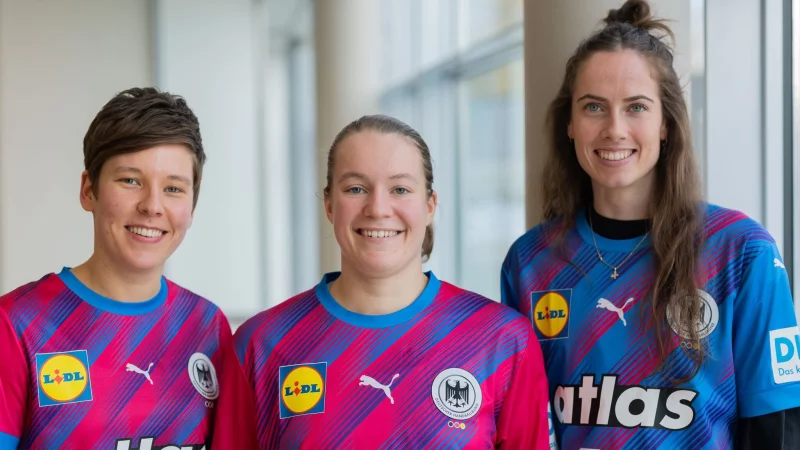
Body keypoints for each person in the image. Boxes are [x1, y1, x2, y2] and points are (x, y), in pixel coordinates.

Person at [500, 1, 800, 449]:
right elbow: (523, 431)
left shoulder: (739, 252)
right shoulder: (531, 261)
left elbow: (777, 429)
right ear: (570, 124)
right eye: (594, 107)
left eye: (636, 107)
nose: (614, 129)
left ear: (666, 123)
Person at [234, 114, 554, 449]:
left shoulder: (501, 340)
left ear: (430, 205)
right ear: (330, 205)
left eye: (400, 189)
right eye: (356, 188)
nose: (378, 208)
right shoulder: (262, 345)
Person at [0, 87, 256, 449]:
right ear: (89, 190)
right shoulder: (16, 325)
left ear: (192, 208)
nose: (152, 206)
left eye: (173, 188)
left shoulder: (207, 327)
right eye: (131, 181)